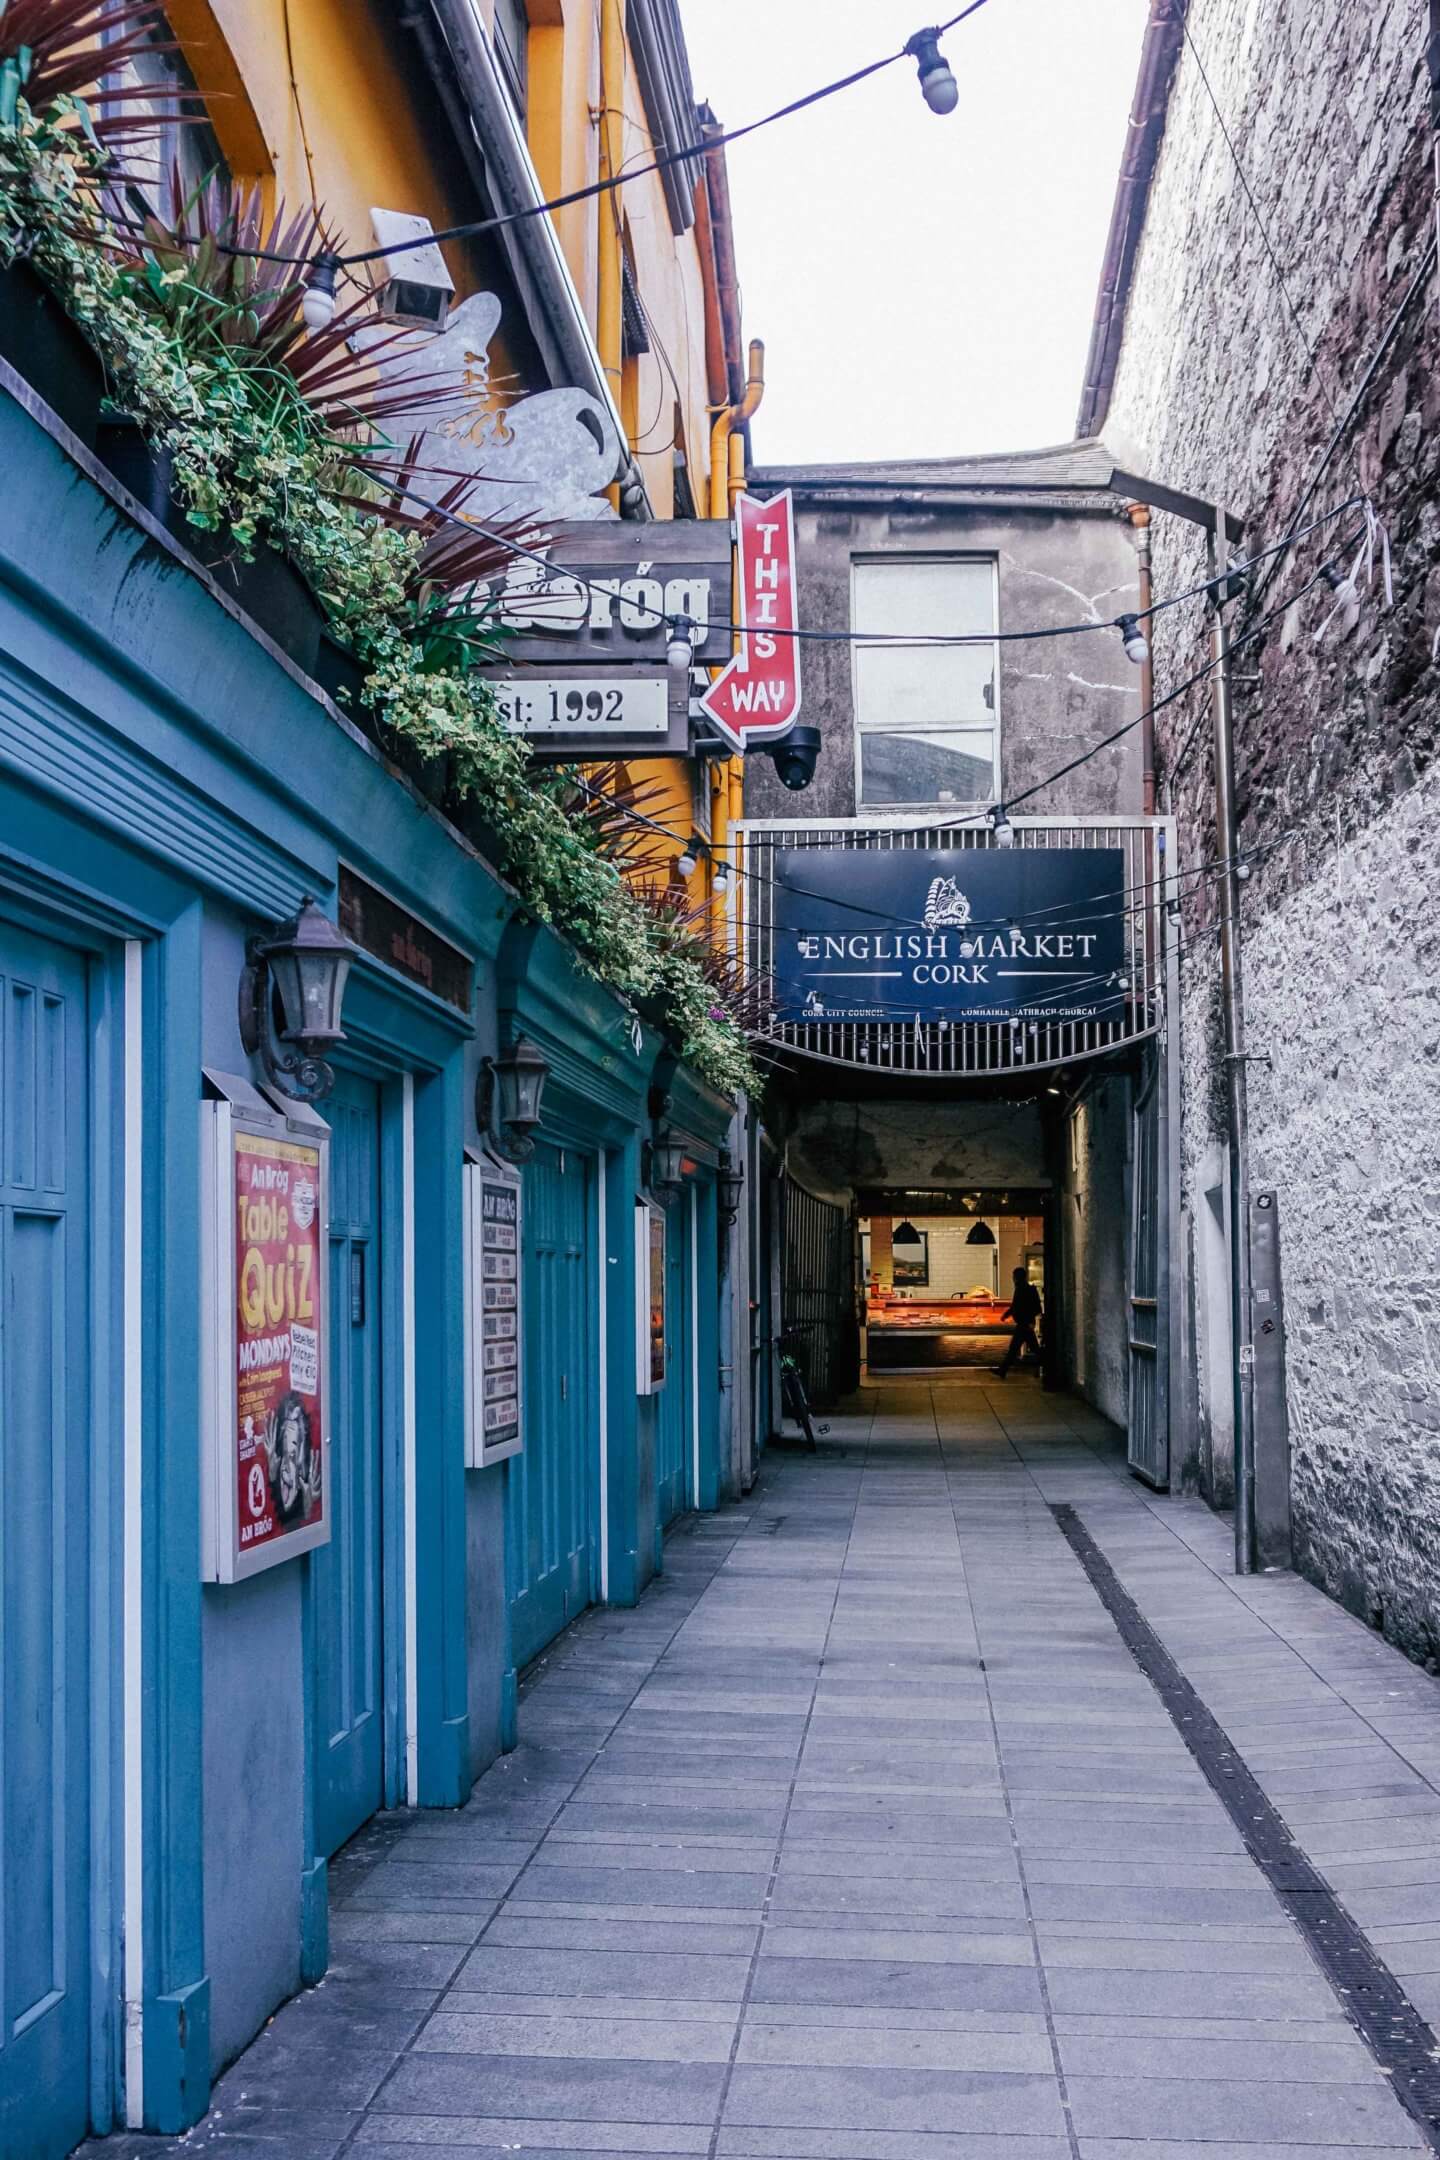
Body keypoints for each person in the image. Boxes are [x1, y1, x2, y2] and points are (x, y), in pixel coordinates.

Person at [994, 1267, 1043, 1378]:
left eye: (1014, 1276)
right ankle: (1003, 1370)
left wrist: (1006, 1315)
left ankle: (1003, 1370)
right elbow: (1034, 1307)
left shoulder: (1021, 1289)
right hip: (1026, 1324)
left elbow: (1016, 1306)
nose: (1013, 1278)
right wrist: (1007, 1314)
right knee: (1027, 1348)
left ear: (1017, 1277)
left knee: (1016, 1348)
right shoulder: (1028, 1289)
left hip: (1024, 1324)